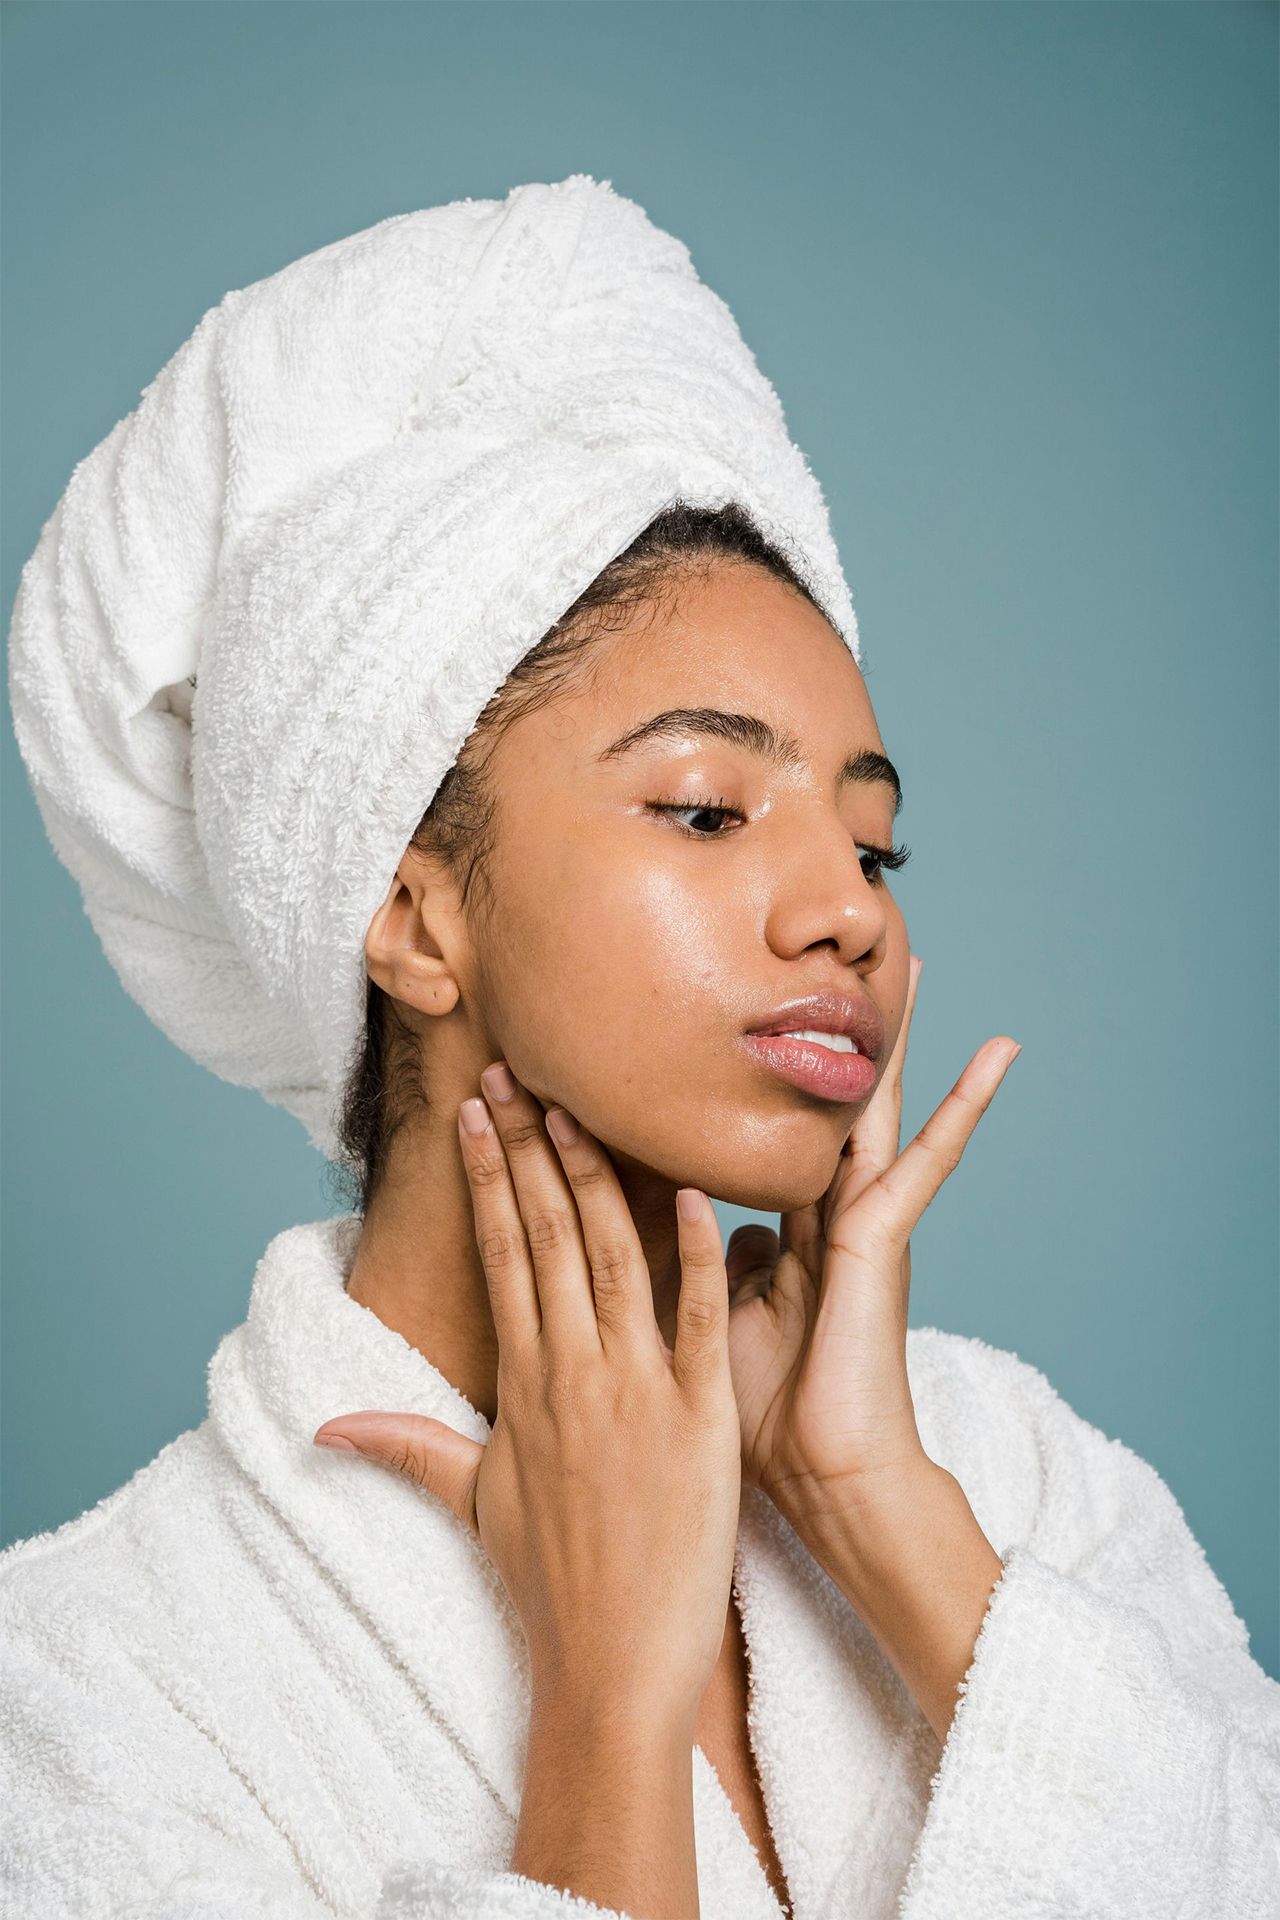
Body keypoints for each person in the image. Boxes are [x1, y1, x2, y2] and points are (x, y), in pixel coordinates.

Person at [4, 177, 1278, 1920]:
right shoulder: (85, 1689)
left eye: (873, 842)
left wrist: (877, 1509)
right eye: (703, 808)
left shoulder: (1011, 1476)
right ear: (418, 917)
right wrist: (604, 1712)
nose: (851, 913)